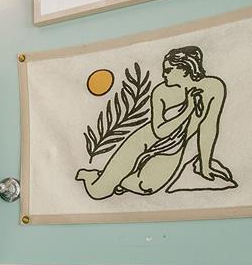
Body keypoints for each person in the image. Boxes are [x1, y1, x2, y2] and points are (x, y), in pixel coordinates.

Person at [76, 46, 234, 200]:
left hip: (173, 146)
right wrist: (188, 110)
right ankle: (91, 175)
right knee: (99, 191)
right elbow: (159, 131)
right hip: (144, 140)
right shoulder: (161, 92)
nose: (164, 75)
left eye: (169, 70)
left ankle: (120, 177)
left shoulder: (213, 87)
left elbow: (209, 127)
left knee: (145, 187)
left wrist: (204, 165)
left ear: (185, 69)